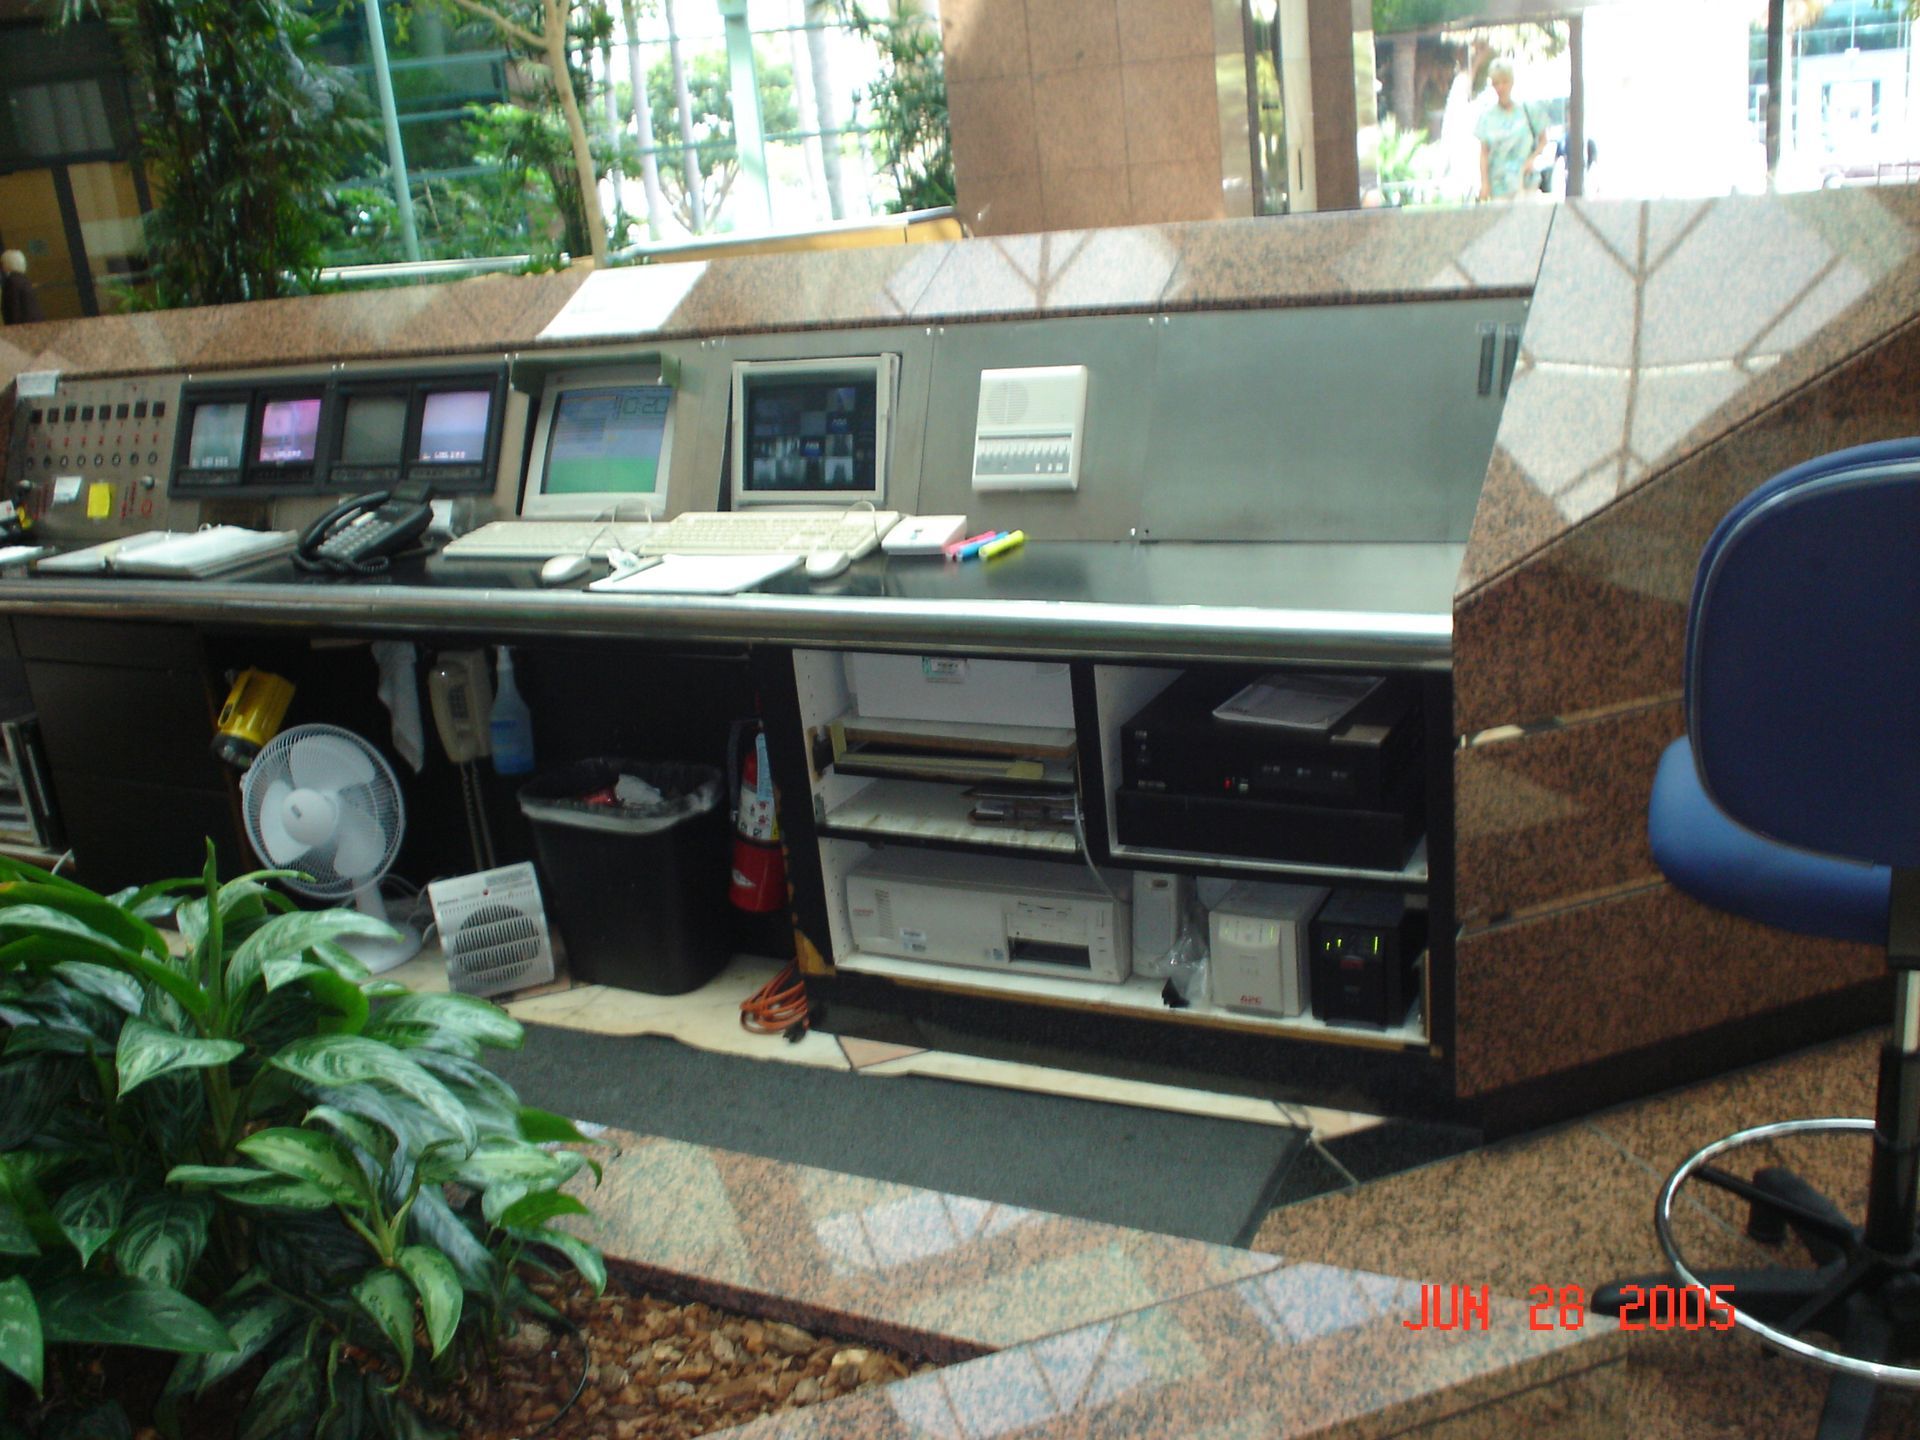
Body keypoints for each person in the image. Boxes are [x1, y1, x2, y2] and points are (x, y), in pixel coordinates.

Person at [1475, 59, 1549, 203]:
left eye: (1504, 82)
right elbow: (1484, 153)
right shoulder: (1486, 117)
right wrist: (1484, 183)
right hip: (1499, 187)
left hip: (1526, 184)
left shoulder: (1529, 110)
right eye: (1496, 83)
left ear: (1511, 82)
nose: (1500, 87)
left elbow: (1543, 140)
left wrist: (1532, 159)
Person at [1, 250, 45, 326]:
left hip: (22, 326)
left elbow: (13, 308)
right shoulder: (24, 280)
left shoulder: (11, 282)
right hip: (35, 323)